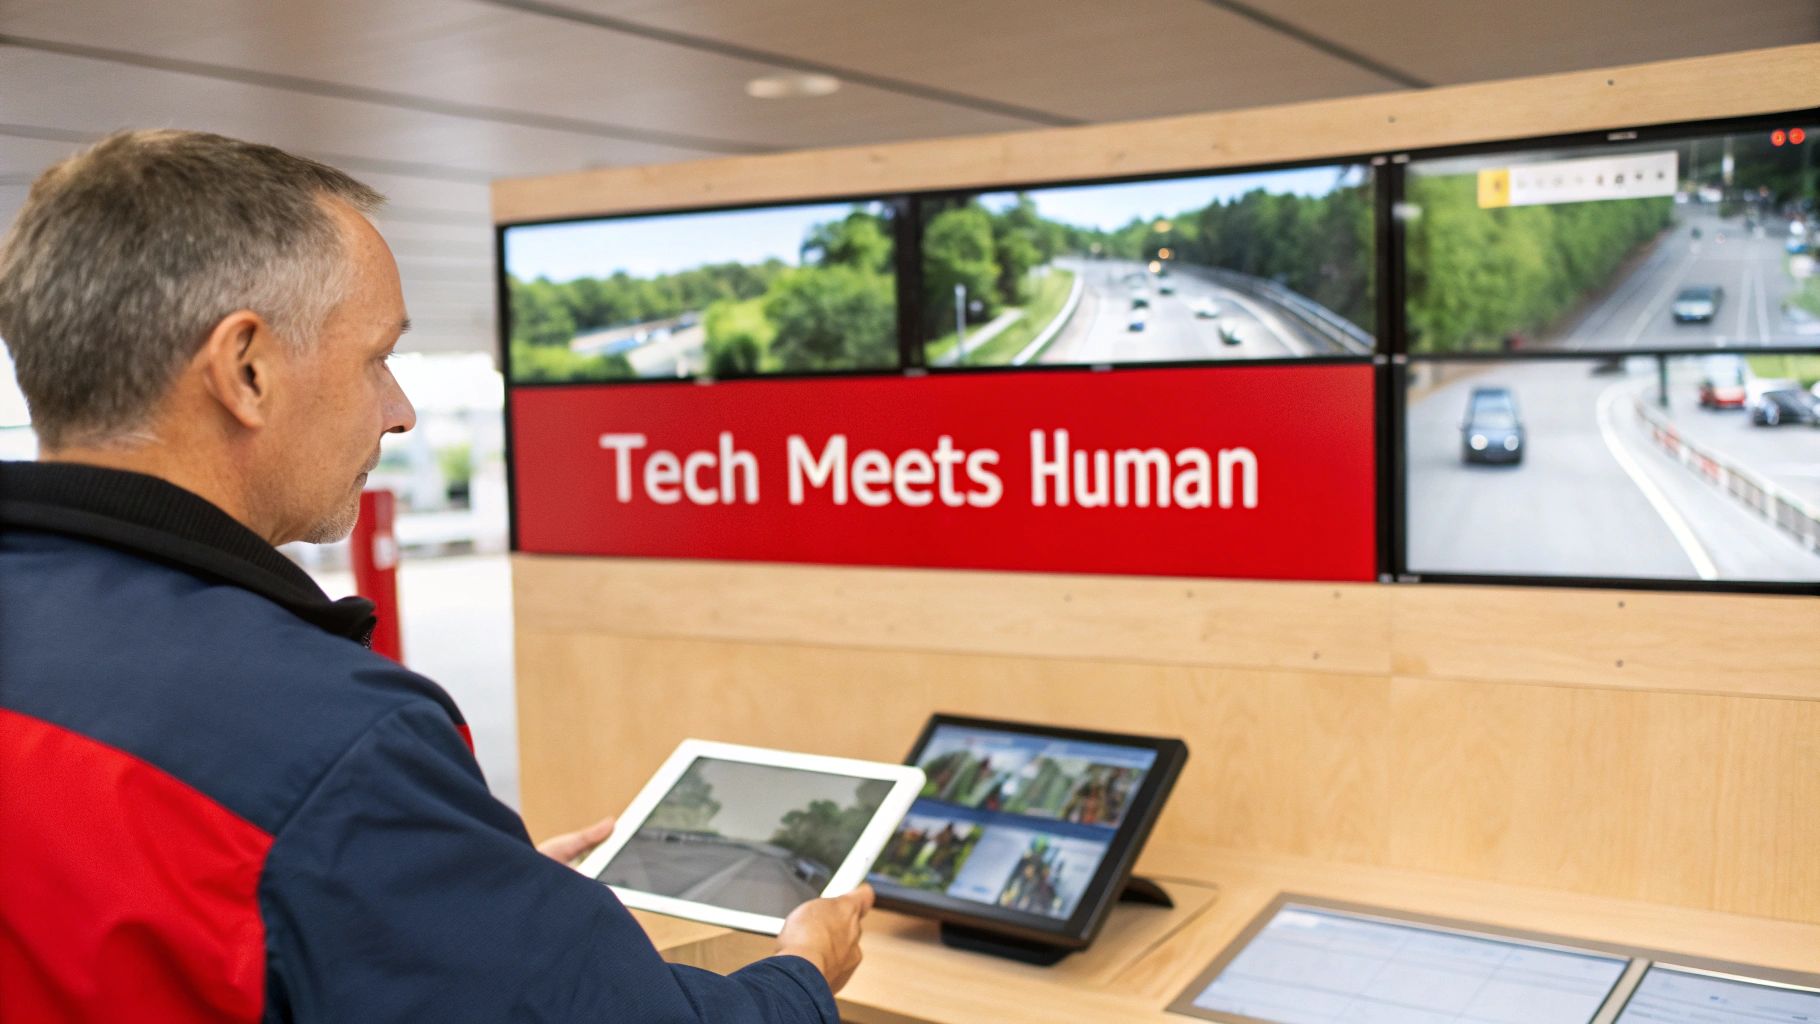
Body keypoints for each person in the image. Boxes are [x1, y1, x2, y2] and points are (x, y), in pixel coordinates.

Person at [0, 129, 870, 1022]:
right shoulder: (334, 740)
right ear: (246, 369)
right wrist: (801, 974)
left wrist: (462, 892)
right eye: (376, 357)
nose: (400, 411)